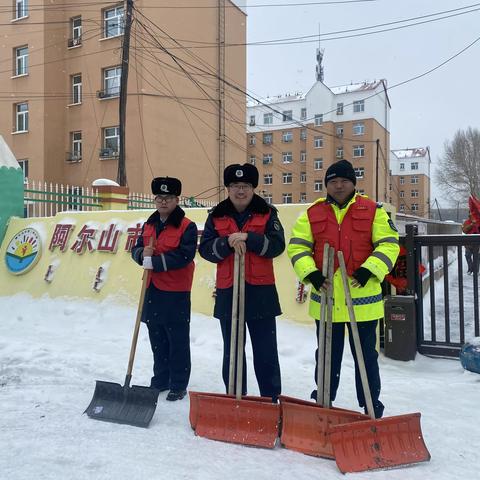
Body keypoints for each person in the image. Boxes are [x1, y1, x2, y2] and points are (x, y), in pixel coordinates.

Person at [287, 159, 400, 418]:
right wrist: (310, 274)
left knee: (366, 358)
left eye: (344, 181)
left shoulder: (373, 210)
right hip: (326, 299)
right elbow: (297, 247)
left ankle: (371, 404)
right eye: (333, 181)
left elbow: (389, 244)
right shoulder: (312, 213)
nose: (338, 186)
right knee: (327, 356)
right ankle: (324, 399)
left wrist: (370, 268)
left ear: (353, 183)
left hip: (363, 302)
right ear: (326, 184)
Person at [199, 163, 285, 401]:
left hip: (261, 293)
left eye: (245, 185)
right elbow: (205, 249)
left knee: (266, 351)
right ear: (227, 188)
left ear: (253, 188)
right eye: (235, 185)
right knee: (233, 351)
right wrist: (226, 242)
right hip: (229, 292)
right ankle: (236, 397)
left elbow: (277, 246)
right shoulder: (216, 216)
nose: (240, 191)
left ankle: (270, 399)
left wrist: (250, 238)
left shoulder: (268, 213)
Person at [131, 177, 198, 401]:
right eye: (159, 198)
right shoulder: (149, 224)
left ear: (176, 199)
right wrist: (142, 256)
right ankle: (160, 379)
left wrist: (156, 263)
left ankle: (178, 384)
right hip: (153, 289)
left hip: (176, 290)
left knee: (177, 338)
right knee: (156, 336)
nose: (163, 202)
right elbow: (137, 248)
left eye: (168, 198)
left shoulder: (186, 226)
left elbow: (185, 255)